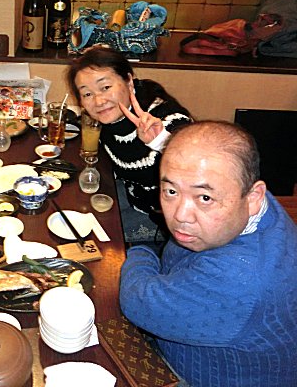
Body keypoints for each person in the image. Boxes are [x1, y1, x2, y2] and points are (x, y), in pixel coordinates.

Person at [119, 121, 297, 387]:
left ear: (253, 197)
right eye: (171, 191)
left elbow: (135, 301)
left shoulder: (239, 278)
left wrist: (139, 252)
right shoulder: (249, 201)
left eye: (204, 198)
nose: (180, 216)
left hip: (189, 375)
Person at [67, 45, 192, 243]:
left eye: (105, 87)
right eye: (87, 94)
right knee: (71, 211)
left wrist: (161, 141)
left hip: (166, 221)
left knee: (86, 236)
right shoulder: (106, 120)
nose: (98, 101)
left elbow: (198, 162)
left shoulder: (162, 117)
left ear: (128, 81)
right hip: (130, 195)